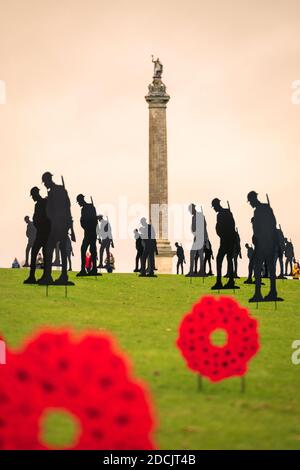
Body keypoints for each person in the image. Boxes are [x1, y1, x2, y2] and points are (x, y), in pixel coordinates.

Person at [39, 172, 75, 285]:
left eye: (45, 182)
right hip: (62, 224)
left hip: (58, 224)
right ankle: (61, 275)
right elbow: (68, 207)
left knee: (49, 248)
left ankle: (50, 276)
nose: (44, 185)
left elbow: (63, 208)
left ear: (48, 180)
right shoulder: (60, 190)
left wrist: (52, 218)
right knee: (61, 250)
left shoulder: (56, 191)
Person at [247, 191, 282, 302]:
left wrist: (256, 237)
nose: (250, 204)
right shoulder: (266, 208)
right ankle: (272, 292)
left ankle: (259, 293)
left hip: (263, 243)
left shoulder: (259, 211)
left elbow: (268, 226)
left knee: (258, 268)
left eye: (250, 201)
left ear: (253, 199)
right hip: (269, 242)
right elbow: (273, 224)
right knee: (270, 268)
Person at [24, 187, 50, 284]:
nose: (32, 198)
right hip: (40, 233)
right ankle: (32, 277)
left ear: (36, 194)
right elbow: (36, 218)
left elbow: (47, 217)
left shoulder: (45, 203)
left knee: (44, 254)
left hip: (45, 233)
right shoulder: (38, 204)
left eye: (33, 196)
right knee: (34, 252)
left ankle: (45, 276)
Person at [211, 198, 239, 290]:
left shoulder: (221, 214)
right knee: (229, 260)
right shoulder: (227, 212)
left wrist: (221, 234)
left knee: (220, 259)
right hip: (229, 240)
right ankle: (230, 281)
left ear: (216, 205)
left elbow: (224, 227)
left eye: (214, 207)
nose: (214, 209)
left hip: (226, 240)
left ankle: (220, 282)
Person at [76, 194, 98, 276]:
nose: (78, 203)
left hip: (90, 232)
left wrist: (87, 226)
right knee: (91, 249)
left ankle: (89, 269)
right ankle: (90, 269)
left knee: (87, 249)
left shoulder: (88, 208)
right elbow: (83, 221)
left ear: (81, 200)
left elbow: (93, 220)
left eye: (79, 202)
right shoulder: (89, 207)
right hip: (89, 231)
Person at [186, 204, 207, 277]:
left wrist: (205, 239)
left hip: (200, 237)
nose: (190, 212)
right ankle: (193, 271)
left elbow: (204, 227)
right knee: (194, 254)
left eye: (190, 210)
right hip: (196, 237)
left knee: (199, 254)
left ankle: (201, 271)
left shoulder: (200, 216)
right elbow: (193, 228)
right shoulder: (194, 217)